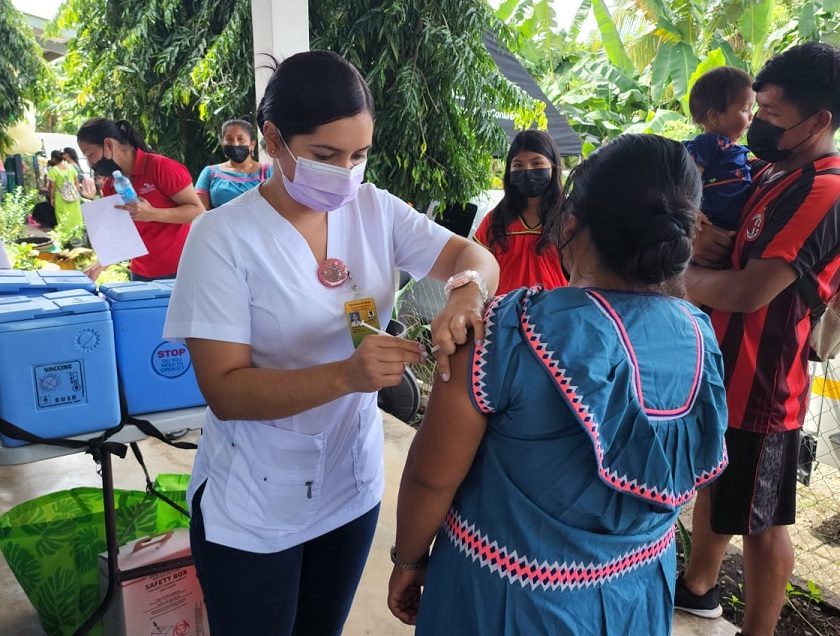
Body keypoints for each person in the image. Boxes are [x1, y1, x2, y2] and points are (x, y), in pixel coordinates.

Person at [162, 50, 499, 636]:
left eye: (359, 155)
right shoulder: (221, 239)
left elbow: (474, 257)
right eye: (325, 156)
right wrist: (346, 375)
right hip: (256, 502)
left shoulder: (374, 210)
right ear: (273, 139)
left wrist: (467, 294)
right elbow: (224, 390)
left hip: (349, 485)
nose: (346, 172)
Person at [388, 134, 728, 634]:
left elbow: (430, 475)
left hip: (504, 599)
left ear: (571, 226)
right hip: (634, 597)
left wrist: (409, 560)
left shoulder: (502, 331)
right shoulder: (700, 337)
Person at [680, 43, 840, 636]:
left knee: (764, 524)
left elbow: (751, 291)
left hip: (764, 383)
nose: (757, 122)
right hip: (722, 366)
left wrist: (680, 279)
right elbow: (720, 234)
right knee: (717, 486)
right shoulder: (773, 171)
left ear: (818, 121)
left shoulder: (824, 189)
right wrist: (697, 232)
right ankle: (698, 589)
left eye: (770, 113)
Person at [76, 118, 204, 281]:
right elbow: (120, 232)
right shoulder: (111, 185)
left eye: (90, 154)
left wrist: (153, 213)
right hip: (140, 273)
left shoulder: (160, 168)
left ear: (109, 144)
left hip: (181, 269)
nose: (90, 163)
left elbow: (199, 212)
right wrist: (100, 264)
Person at [474, 129, 567, 294]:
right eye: (518, 165)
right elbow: (476, 269)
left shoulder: (570, 218)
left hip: (558, 316)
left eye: (537, 163)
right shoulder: (494, 220)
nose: (527, 171)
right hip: (502, 315)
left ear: (553, 166)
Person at [683, 67, 756, 231]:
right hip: (710, 223)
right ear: (715, 117)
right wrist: (690, 211)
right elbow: (689, 176)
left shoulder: (734, 148)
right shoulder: (709, 144)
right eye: (745, 109)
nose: (751, 115)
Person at [195, 119, 272, 209]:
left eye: (240, 139)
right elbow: (200, 213)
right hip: (219, 223)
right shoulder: (210, 173)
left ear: (252, 144)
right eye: (229, 139)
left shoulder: (268, 172)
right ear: (222, 143)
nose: (235, 144)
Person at [46, 150, 84, 231]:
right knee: (76, 215)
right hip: (74, 196)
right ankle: (78, 234)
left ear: (54, 159)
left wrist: (52, 198)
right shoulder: (71, 168)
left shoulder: (53, 170)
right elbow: (77, 183)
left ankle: (66, 237)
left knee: (62, 216)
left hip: (61, 197)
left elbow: (52, 186)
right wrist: (78, 195)